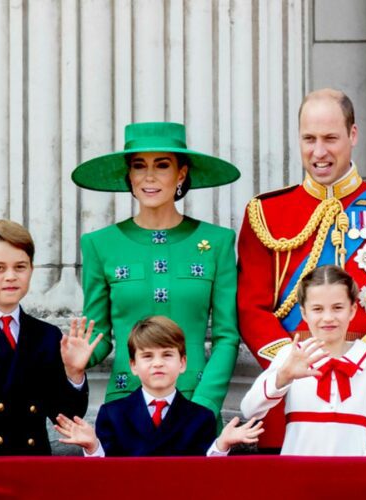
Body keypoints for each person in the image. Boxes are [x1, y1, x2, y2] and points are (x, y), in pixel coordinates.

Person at [237, 89, 366, 453]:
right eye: (309, 139)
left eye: (330, 139)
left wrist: (358, 364)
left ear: (353, 136)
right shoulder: (265, 213)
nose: (319, 152)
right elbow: (251, 310)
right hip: (292, 391)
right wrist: (295, 364)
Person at [71, 122, 241, 421]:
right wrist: (72, 361)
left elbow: (227, 337)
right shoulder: (100, 245)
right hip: (126, 408)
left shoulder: (218, 242)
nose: (149, 176)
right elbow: (98, 335)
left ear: (181, 173)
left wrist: (204, 404)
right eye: (139, 166)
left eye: (162, 165)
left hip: (195, 404)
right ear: (130, 175)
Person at [241, 265, 366, 455]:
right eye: (317, 309)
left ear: (353, 310)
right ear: (304, 313)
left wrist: (365, 471)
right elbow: (250, 410)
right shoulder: (290, 355)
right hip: (298, 473)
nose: (328, 318)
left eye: (338, 308)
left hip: (354, 474)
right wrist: (282, 377)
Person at [55, 316, 263, 456]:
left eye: (167, 355)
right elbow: (107, 476)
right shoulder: (113, 414)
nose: (157, 363)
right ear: (133, 365)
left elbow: (203, 477)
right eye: (147, 356)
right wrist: (93, 447)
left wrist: (221, 445)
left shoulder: (201, 417)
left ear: (182, 363)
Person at [0, 219, 100, 455]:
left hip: (30, 466)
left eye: (20, 267)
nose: (11, 276)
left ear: (31, 270)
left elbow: (64, 416)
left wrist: (73, 373)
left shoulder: (46, 335)